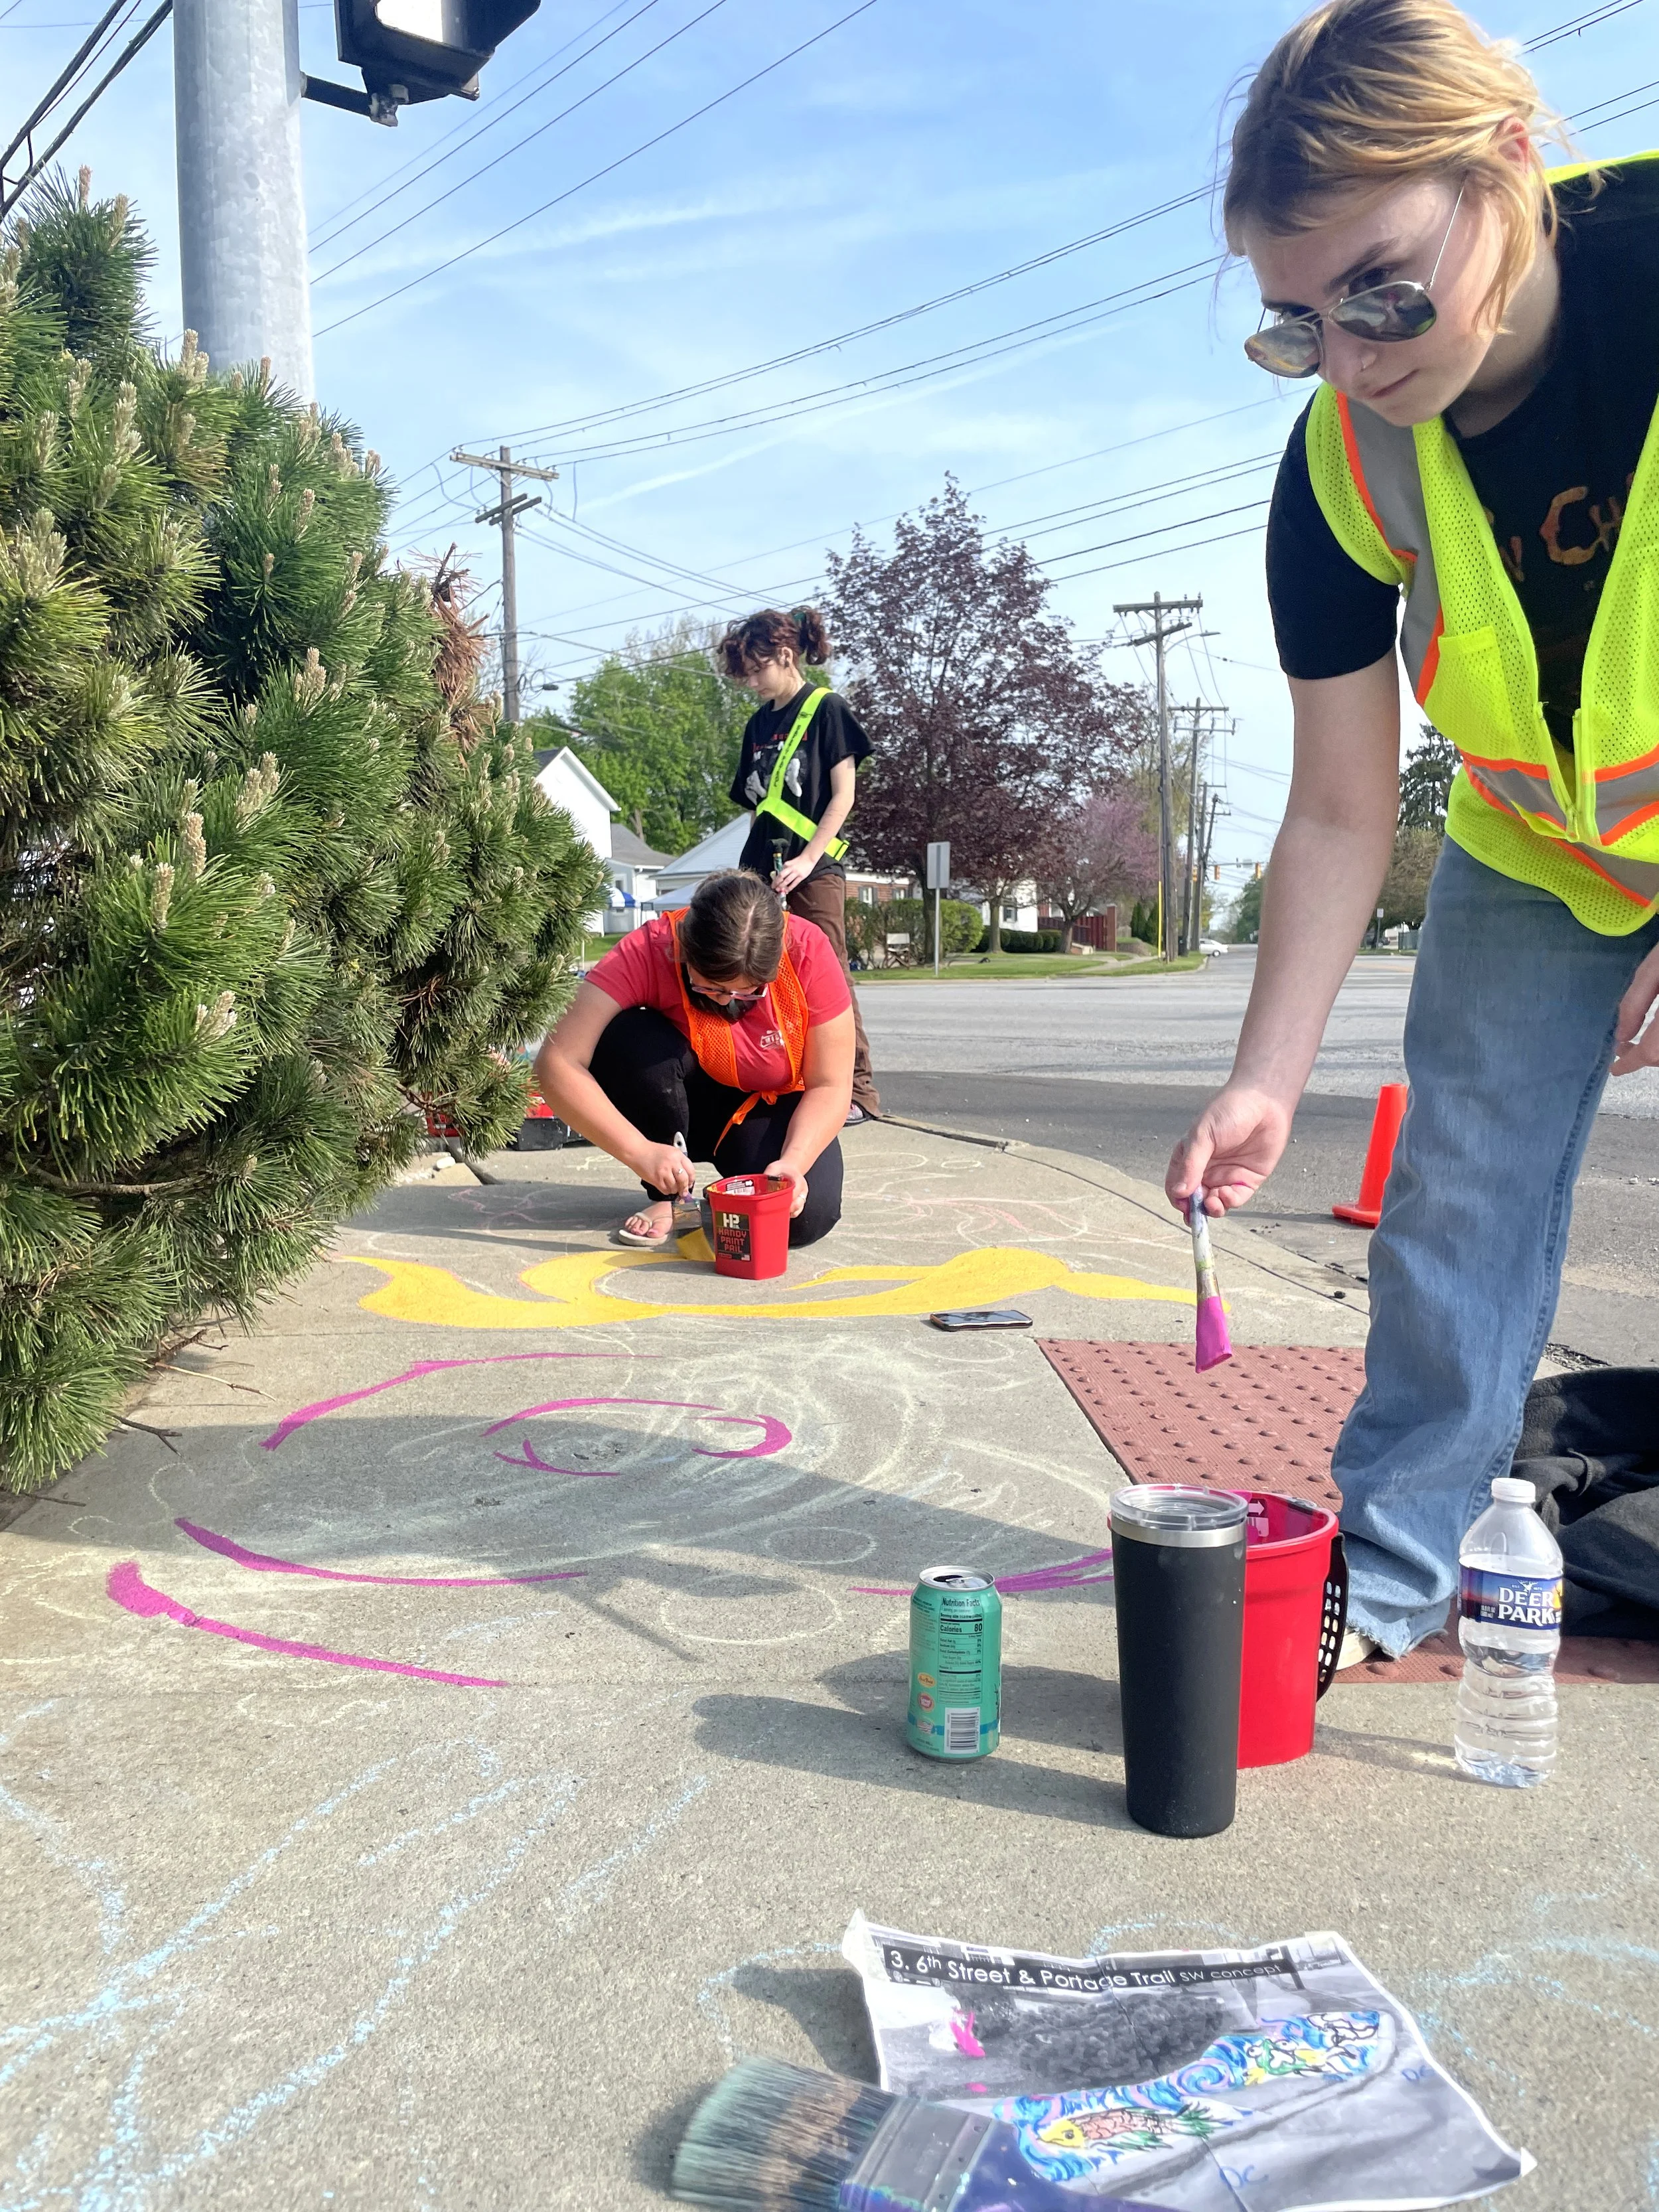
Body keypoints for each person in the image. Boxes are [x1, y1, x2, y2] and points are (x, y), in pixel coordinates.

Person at [1164, 0, 1659, 1659]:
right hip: (1542, 852)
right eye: (1296, 325)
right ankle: (1385, 1578)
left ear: (1506, 162)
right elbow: (1334, 806)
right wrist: (1264, 1078)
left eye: (1380, 289)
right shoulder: (1340, 468)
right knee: (1454, 1205)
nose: (1355, 359)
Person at [536, 869, 854, 1250]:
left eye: (749, 991)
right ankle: (671, 1196)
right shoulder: (651, 948)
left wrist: (794, 1163)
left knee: (802, 1219)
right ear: (684, 949)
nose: (728, 1001)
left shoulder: (807, 950)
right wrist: (639, 1151)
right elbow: (557, 1062)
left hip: (767, 1107)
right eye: (712, 987)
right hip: (683, 1099)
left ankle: (733, 1181)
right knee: (628, 1035)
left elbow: (830, 1084)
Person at [719, 605, 882, 1123]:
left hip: (815, 871)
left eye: (756, 669)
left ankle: (857, 1090)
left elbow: (844, 795)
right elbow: (757, 809)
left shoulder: (826, 709)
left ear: (786, 655)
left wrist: (809, 859)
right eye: (745, 673)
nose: (751, 682)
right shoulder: (757, 725)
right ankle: (779, 1080)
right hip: (761, 870)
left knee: (829, 974)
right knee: (757, 973)